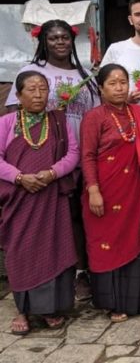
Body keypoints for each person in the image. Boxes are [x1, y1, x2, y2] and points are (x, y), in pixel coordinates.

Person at [4, 19, 100, 302]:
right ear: (43, 42)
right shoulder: (32, 72)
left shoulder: (85, 74)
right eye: (53, 38)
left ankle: (80, 272)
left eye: (64, 38)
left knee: (76, 218)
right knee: (38, 220)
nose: (60, 43)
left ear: (72, 41)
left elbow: (93, 115)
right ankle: (33, 279)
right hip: (38, 154)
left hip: (76, 155)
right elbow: (13, 112)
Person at [0, 71, 79, 335]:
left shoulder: (57, 121)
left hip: (50, 197)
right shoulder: (8, 122)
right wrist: (20, 177)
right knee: (20, 250)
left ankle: (50, 309)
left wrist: (52, 173)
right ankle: (23, 309)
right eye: (31, 89)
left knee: (53, 248)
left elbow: (73, 153)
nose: (38, 95)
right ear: (19, 95)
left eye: (43, 89)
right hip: (20, 199)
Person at [81, 64, 140, 323]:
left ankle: (138, 301)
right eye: (112, 83)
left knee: (134, 241)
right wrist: (93, 190)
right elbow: (87, 156)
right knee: (106, 245)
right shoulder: (94, 117)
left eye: (123, 82)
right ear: (101, 88)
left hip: (135, 190)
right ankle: (112, 303)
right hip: (105, 191)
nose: (120, 87)